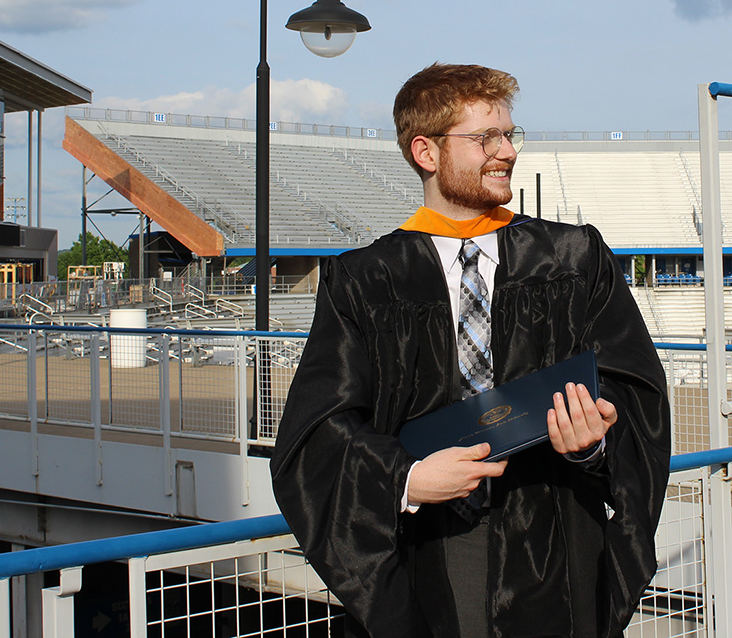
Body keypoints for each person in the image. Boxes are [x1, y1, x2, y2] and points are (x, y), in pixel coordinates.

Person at [270, 63, 670, 638]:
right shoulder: (366, 281)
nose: (506, 151)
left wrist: (594, 445)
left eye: (510, 134)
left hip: (553, 544)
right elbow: (315, 438)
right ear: (426, 152)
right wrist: (404, 478)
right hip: (428, 552)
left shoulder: (572, 260)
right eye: (485, 138)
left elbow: (637, 396)